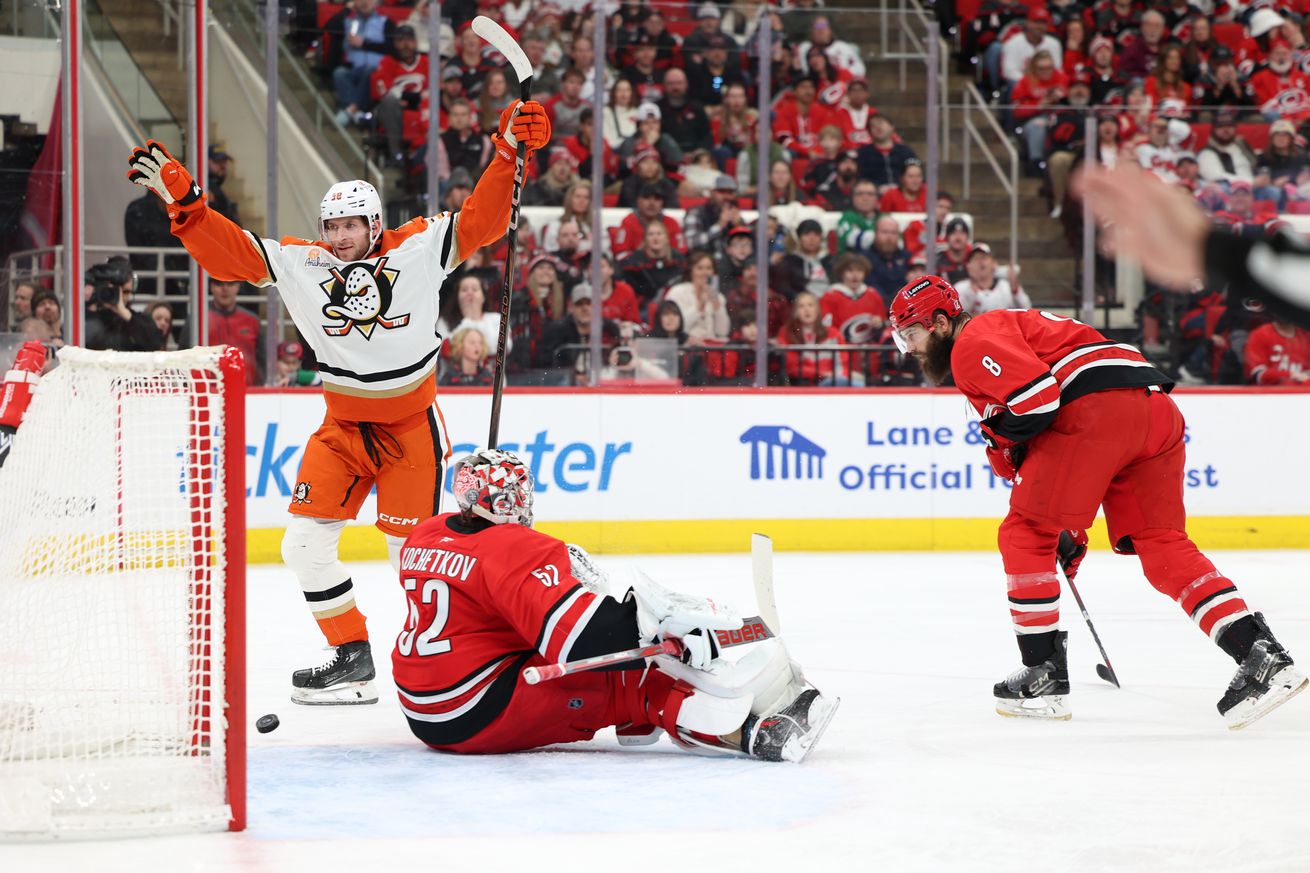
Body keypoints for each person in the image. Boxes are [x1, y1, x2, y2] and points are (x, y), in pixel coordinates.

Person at [124, 100, 553, 705]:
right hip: (342, 427)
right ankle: (352, 658)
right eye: (333, 226)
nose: (340, 236)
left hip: (410, 430)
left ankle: (457, 651)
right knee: (300, 546)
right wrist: (188, 205)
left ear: (375, 225)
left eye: (352, 225)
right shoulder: (303, 263)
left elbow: (483, 219)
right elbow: (233, 254)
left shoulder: (419, 248)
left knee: (417, 559)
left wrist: (509, 152)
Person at [888, 275, 1307, 728]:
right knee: (1162, 543)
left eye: (911, 334)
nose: (908, 348)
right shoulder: (1012, 328)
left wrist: (1045, 518)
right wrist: (1065, 523)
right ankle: (1259, 654)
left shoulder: (973, 343)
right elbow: (1041, 428)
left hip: (1098, 412)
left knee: (1025, 533)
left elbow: (1037, 402)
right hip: (1154, 412)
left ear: (941, 322)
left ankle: (1044, 673)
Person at [393, 447, 836, 760]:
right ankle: (761, 733)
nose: (524, 504)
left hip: (423, 702)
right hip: (475, 708)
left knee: (609, 653)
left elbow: (478, 601)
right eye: (517, 495)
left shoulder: (428, 531)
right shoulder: (515, 547)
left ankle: (641, 718)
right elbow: (588, 645)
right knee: (639, 678)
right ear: (503, 501)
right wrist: (669, 633)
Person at [84, 258, 158, 352]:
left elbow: (155, 345)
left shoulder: (139, 321)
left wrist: (126, 315)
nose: (120, 296)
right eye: (112, 290)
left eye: (126, 292)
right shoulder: (85, 318)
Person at [663, 252, 730, 344]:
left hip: (712, 347)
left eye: (709, 268)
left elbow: (722, 332)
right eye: (700, 268)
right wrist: (699, 307)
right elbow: (676, 326)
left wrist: (717, 305)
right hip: (686, 346)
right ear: (691, 271)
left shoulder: (718, 296)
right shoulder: (677, 292)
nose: (705, 273)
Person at [207, 279, 264, 384]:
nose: (225, 289)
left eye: (230, 284)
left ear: (238, 286)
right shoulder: (200, 320)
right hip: (209, 393)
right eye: (219, 284)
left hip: (248, 393)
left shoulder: (252, 321)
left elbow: (263, 363)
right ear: (211, 287)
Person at [954, 244, 1032, 315]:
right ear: (968, 266)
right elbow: (959, 315)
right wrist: (974, 286)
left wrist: (1015, 288)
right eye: (976, 259)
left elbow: (1027, 309)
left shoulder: (1006, 286)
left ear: (994, 264)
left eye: (984, 257)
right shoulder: (960, 288)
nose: (980, 262)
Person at [684, 174, 743, 256]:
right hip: (704, 264)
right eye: (721, 192)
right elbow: (690, 244)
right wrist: (719, 226)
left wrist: (739, 226)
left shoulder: (734, 213)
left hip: (729, 266)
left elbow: (752, 247)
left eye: (730, 192)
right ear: (712, 193)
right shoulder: (696, 212)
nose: (726, 196)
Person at [1245, 319, 1310, 384]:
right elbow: (1257, 374)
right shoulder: (1259, 335)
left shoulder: (1306, 337)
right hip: (1269, 392)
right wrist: (1292, 375)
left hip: (1301, 392)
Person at [780, 219, 834, 298]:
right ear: (799, 238)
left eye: (816, 235)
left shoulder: (830, 260)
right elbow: (785, 288)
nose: (812, 239)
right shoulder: (790, 261)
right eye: (807, 234)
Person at [865, 216, 911, 304]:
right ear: (875, 234)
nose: (889, 237)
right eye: (884, 232)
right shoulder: (864, 259)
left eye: (893, 233)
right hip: (876, 308)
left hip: (904, 308)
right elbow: (871, 287)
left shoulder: (907, 257)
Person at [836, 179, 879, 256]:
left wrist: (861, 233)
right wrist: (880, 237)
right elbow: (850, 239)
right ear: (853, 197)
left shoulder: (883, 218)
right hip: (852, 263)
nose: (865, 198)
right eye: (860, 194)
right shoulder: (848, 217)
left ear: (877, 198)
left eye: (870, 194)